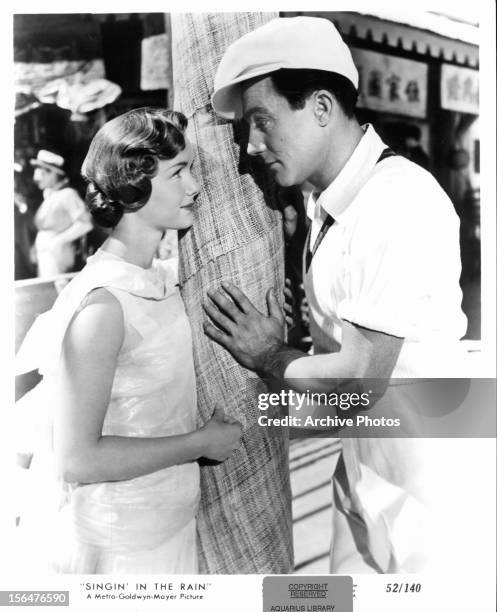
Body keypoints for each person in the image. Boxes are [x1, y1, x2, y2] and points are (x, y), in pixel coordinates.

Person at [204, 17, 468, 573]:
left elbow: (362, 378)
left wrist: (269, 356)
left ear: (321, 107)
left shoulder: (395, 201)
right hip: (364, 459)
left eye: (262, 122)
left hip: (426, 478)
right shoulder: (326, 199)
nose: (252, 146)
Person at [15, 108, 242, 574]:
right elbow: (77, 459)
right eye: (179, 171)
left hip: (172, 526)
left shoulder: (158, 279)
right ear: (134, 181)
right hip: (121, 549)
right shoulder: (103, 306)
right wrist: (200, 442)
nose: (195, 186)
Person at [31, 149, 93, 277]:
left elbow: (86, 224)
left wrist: (57, 241)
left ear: (54, 174)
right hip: (46, 254)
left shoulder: (67, 194)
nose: (37, 178)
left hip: (58, 255)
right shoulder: (50, 196)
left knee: (57, 290)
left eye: (43, 174)